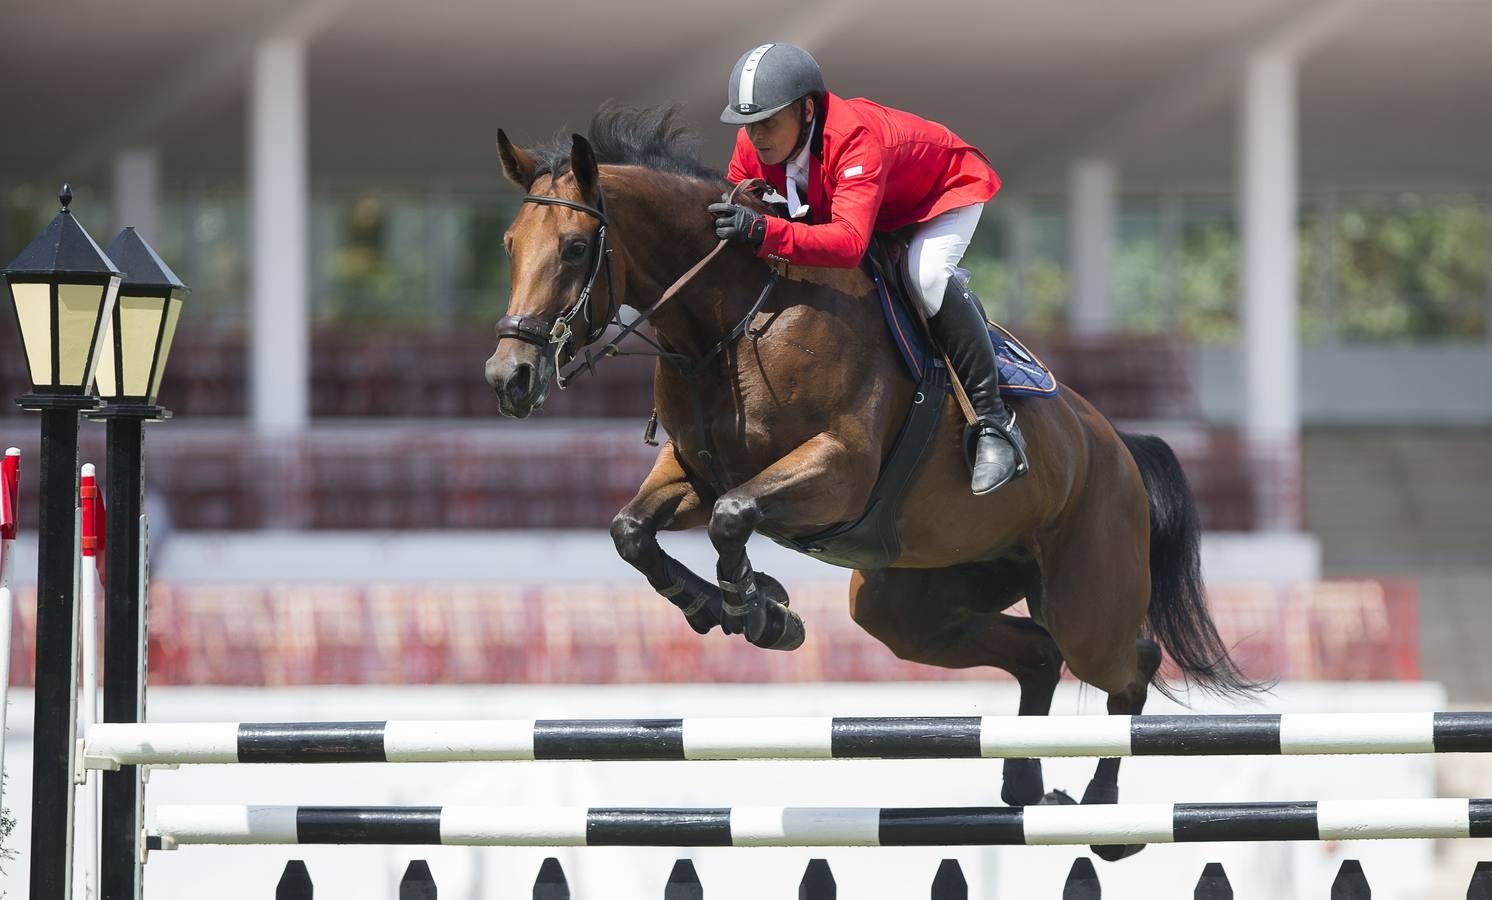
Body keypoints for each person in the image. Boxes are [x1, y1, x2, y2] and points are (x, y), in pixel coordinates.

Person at [708, 42, 1027, 495]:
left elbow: (848, 245)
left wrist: (761, 233)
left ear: (805, 110)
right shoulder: (754, 143)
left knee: (926, 276)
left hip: (940, 195)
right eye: (749, 125)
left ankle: (994, 423)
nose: (756, 136)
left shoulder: (854, 138)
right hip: (871, 207)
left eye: (767, 123)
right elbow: (746, 206)